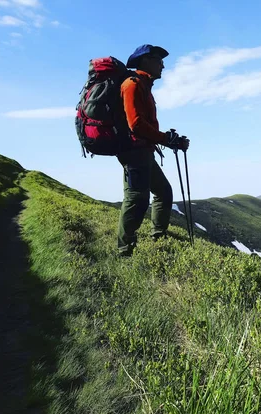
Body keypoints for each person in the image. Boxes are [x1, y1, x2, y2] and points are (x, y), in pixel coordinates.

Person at [117, 44, 189, 257]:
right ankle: (125, 250)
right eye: (159, 60)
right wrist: (167, 139)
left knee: (164, 193)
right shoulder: (132, 85)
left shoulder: (144, 86)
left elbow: (142, 125)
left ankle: (158, 237)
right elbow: (136, 124)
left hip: (143, 151)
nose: (163, 65)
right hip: (134, 152)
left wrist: (169, 140)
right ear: (145, 61)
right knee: (136, 199)